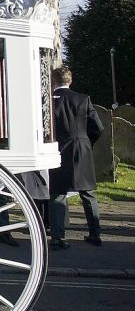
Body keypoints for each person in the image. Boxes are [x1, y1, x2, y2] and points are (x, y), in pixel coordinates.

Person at [48, 67, 104, 249]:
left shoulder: (48, 101)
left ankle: (58, 237)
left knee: (57, 193)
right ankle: (95, 233)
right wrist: (86, 141)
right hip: (81, 147)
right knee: (87, 193)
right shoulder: (83, 99)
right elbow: (97, 127)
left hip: (58, 148)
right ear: (70, 80)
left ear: (53, 81)